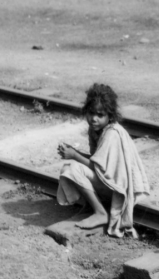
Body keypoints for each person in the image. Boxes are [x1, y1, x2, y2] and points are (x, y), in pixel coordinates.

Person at [57, 83, 149, 238]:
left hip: (118, 189)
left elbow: (97, 167)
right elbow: (96, 160)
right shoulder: (96, 130)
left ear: (110, 116)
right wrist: (75, 152)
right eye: (91, 113)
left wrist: (74, 155)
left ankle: (100, 213)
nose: (94, 119)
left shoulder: (112, 133)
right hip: (110, 183)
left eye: (100, 115)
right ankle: (95, 209)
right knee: (72, 166)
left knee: (71, 168)